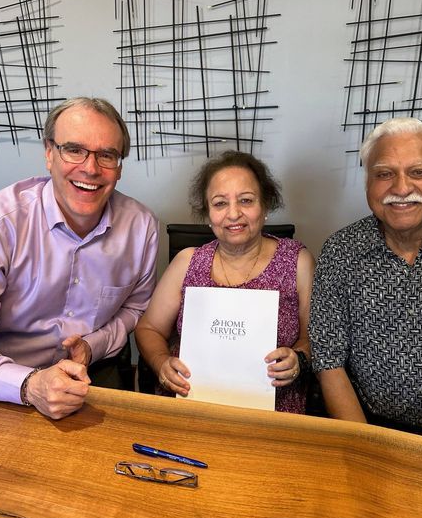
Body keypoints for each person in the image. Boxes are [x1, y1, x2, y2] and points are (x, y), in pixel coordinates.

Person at [0, 97, 158, 420]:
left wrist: (94, 345)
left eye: (107, 155)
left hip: (92, 373)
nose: (90, 168)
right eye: (74, 150)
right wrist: (29, 384)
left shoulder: (142, 227)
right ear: (49, 154)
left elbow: (136, 308)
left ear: (119, 167)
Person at [309, 117, 422, 445]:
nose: (401, 188)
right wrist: (367, 448)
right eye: (384, 174)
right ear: (367, 184)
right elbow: (328, 359)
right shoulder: (339, 252)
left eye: (419, 172)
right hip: (366, 428)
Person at [135, 150, 315, 413]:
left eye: (246, 200)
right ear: (208, 214)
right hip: (191, 402)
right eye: (220, 203)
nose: (233, 214)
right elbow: (148, 328)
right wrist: (161, 363)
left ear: (265, 205)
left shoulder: (298, 261)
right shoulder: (187, 262)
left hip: (273, 410)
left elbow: (316, 337)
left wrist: (298, 359)